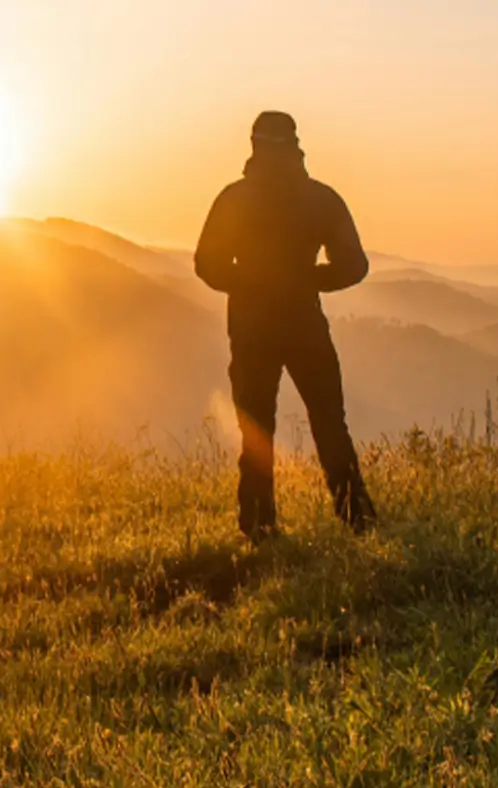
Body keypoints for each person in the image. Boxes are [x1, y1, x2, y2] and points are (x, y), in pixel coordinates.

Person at [194, 110, 375, 539]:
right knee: (330, 422)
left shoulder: (234, 199)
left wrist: (250, 282)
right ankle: (359, 521)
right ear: (296, 145)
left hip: (251, 326)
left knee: (257, 429)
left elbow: (207, 264)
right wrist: (306, 278)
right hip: (305, 324)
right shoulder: (320, 198)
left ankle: (259, 526)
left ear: (253, 145)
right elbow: (355, 266)